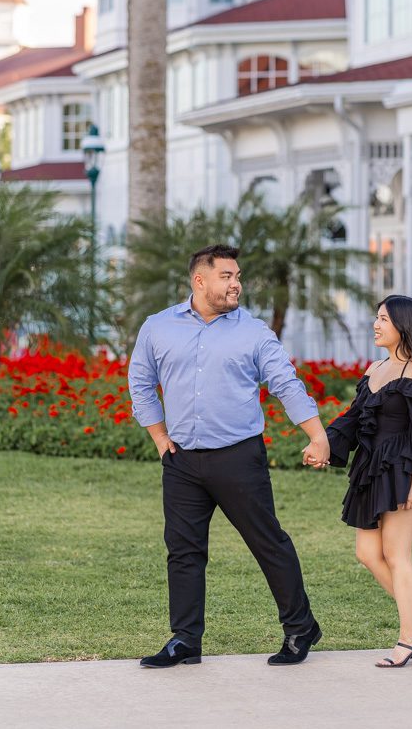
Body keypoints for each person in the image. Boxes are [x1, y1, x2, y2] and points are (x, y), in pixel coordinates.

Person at [128, 244, 331, 668]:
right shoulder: (158, 327)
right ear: (200, 280)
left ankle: (300, 627)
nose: (236, 283)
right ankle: (185, 640)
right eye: (227, 276)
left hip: (239, 458)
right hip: (182, 460)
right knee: (182, 551)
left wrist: (317, 436)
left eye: (237, 276)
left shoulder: (254, 332)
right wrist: (158, 435)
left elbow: (286, 384)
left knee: (267, 543)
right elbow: (141, 383)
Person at [304, 294, 412, 668]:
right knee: (367, 553)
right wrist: (323, 444)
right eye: (376, 318)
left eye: (384, 319)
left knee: (397, 556)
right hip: (371, 470)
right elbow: (353, 420)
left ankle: (409, 638)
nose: (376, 325)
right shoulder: (375, 368)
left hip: (403, 471)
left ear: (403, 325)